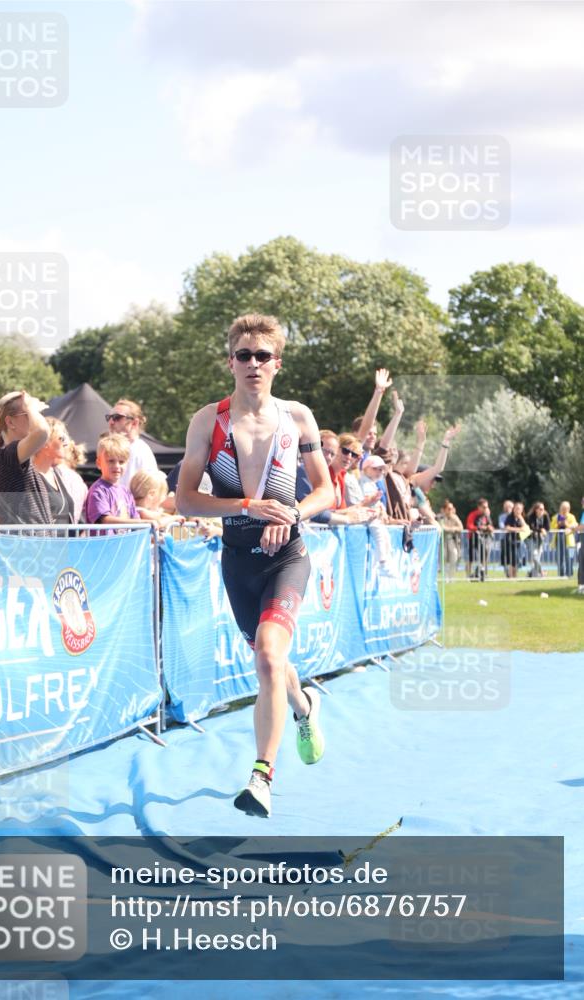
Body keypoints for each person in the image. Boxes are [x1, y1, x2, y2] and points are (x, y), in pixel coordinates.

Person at [176, 313, 334, 819]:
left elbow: (326, 491)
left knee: (267, 658)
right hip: (238, 561)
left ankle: (261, 776)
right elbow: (184, 500)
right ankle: (304, 706)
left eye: (262, 356)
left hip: (287, 557)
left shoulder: (298, 418)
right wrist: (248, 506)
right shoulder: (208, 421)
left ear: (277, 364)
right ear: (230, 362)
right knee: (274, 663)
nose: (253, 364)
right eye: (243, 355)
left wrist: (292, 513)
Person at [0, 391, 52, 524]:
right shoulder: (5, 456)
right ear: (10, 422)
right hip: (22, 538)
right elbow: (42, 431)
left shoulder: (13, 456)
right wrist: (30, 407)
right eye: (28, 414)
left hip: (32, 538)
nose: (34, 419)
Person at [84, 432, 142, 530]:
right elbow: (105, 520)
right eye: (111, 461)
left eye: (121, 462)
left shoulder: (126, 492)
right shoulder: (98, 491)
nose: (117, 466)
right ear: (99, 463)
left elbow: (135, 519)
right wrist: (141, 523)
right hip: (106, 540)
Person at [105, 399, 159, 489]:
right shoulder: (118, 450)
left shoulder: (140, 451)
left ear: (134, 423)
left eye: (117, 417)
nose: (111, 422)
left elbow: (148, 491)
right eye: (109, 417)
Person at [32, 418, 76, 524]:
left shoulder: (56, 474)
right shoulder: (31, 478)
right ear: (45, 443)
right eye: (62, 438)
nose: (66, 443)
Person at [465, 498, 494, 581]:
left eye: (487, 507)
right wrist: (480, 528)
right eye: (484, 507)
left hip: (484, 539)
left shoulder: (486, 516)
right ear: (479, 507)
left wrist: (490, 528)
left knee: (484, 555)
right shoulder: (473, 514)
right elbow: (469, 526)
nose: (486, 509)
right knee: (470, 558)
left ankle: (482, 573)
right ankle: (468, 576)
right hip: (472, 538)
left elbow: (491, 526)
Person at [439, 500, 463, 582]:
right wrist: (451, 529)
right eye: (449, 508)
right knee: (443, 558)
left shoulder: (455, 517)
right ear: (444, 509)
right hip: (442, 541)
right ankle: (444, 578)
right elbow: (441, 527)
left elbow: (460, 527)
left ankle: (451, 578)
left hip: (452, 540)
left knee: (454, 557)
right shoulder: (440, 517)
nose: (451, 510)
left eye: (452, 508)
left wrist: (452, 528)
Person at [502, 501, 527, 579]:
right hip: (510, 541)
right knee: (511, 560)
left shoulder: (521, 518)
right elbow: (507, 527)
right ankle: (511, 576)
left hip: (518, 542)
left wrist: (520, 518)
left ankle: (515, 576)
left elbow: (525, 528)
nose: (517, 510)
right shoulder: (509, 517)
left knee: (517, 560)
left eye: (519, 509)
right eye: (516, 509)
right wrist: (518, 529)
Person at [552, 501, 577, 577]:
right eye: (563, 508)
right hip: (559, 539)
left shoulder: (572, 517)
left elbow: (575, 526)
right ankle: (561, 574)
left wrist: (566, 524)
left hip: (569, 540)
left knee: (570, 557)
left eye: (566, 508)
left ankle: (569, 573)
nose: (564, 510)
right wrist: (558, 524)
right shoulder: (555, 517)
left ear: (569, 509)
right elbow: (551, 527)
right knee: (559, 557)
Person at [526, 502, 550, 578]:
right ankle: (542, 572)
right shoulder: (531, 516)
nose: (542, 510)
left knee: (538, 557)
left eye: (543, 509)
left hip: (540, 539)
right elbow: (531, 527)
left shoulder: (545, 515)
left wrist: (543, 530)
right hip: (530, 538)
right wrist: (541, 530)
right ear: (536, 510)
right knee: (534, 556)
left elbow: (548, 527)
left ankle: (531, 574)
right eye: (540, 509)